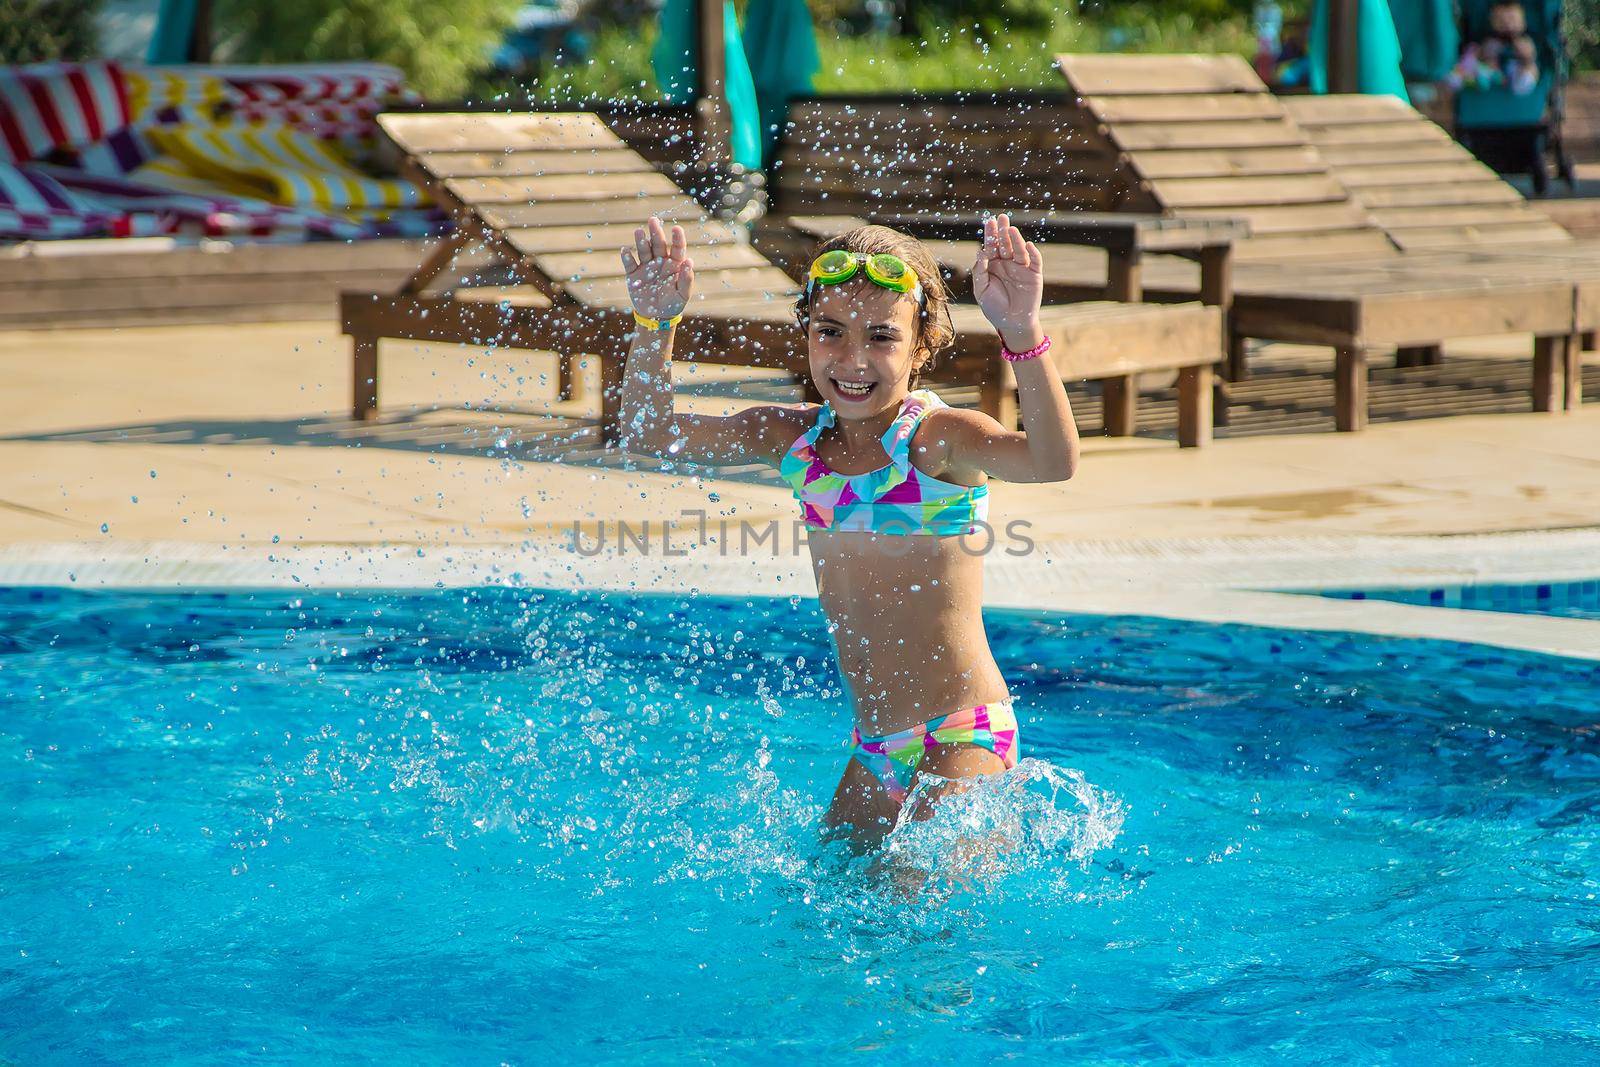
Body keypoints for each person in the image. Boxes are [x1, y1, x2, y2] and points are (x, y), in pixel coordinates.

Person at [617, 213, 1079, 847]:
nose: (852, 360)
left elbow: (1052, 462)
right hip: (874, 747)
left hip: (962, 731)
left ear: (921, 346)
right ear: (805, 334)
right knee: (822, 915)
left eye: (882, 337)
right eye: (830, 332)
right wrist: (654, 325)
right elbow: (649, 434)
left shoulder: (935, 442)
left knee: (920, 914)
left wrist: (1022, 332)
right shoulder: (792, 439)